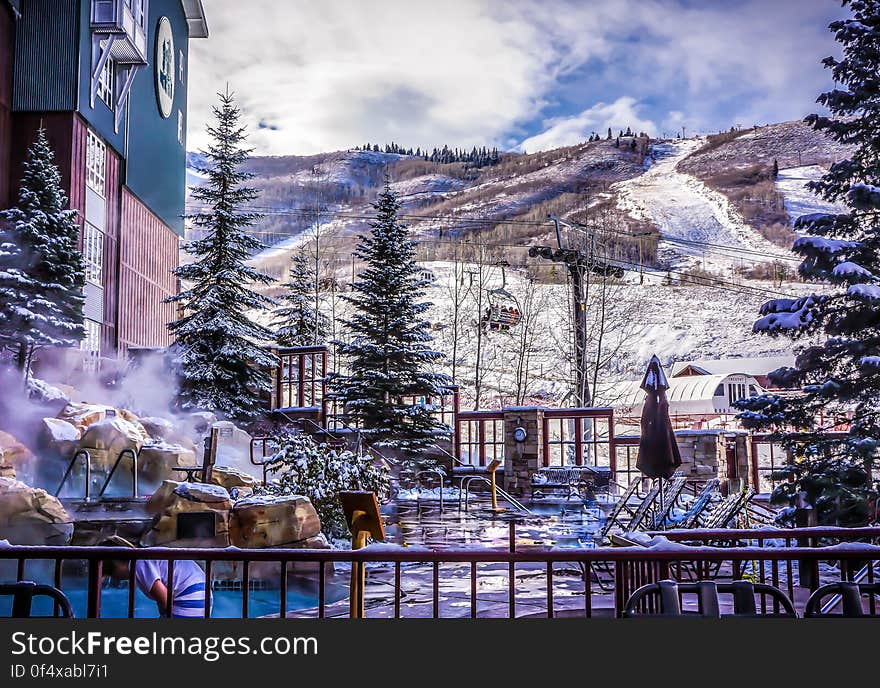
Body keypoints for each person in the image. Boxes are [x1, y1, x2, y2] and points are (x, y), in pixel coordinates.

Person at [100, 536, 211, 618]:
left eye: (110, 574)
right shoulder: (145, 558)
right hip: (202, 596)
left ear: (117, 563)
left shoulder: (138, 564)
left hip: (189, 598)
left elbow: (165, 598)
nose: (115, 578)